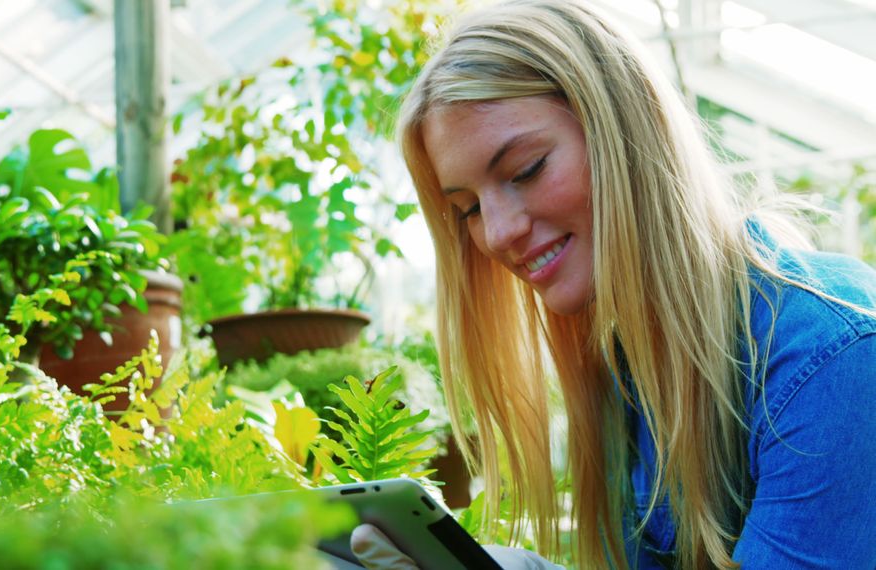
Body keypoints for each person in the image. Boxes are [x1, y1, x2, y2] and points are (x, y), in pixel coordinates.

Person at [350, 0, 876, 568]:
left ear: (626, 130)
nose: (498, 233)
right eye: (468, 208)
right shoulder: (623, 371)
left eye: (527, 170)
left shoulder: (831, 355)